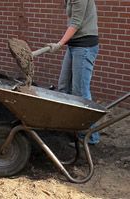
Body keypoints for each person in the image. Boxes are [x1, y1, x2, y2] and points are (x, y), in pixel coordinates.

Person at [47, 0, 100, 144]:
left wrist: (59, 44)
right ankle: (70, 128)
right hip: (74, 46)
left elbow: (76, 22)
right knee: (64, 87)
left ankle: (90, 136)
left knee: (80, 92)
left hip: (84, 47)